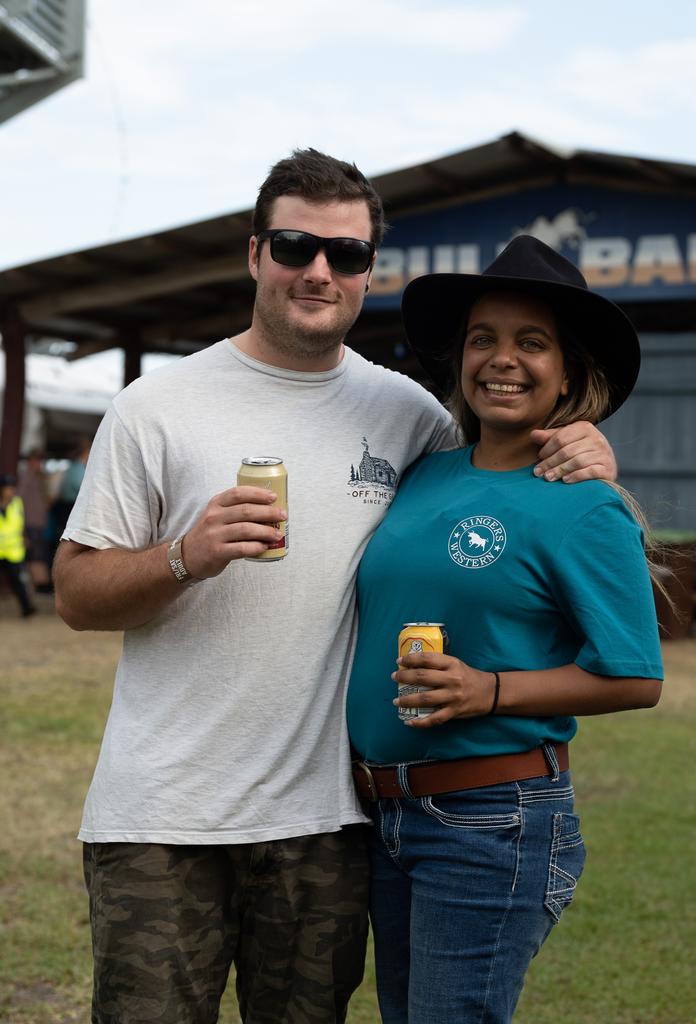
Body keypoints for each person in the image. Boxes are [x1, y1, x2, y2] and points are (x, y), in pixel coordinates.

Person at [53, 150, 619, 1024]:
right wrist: (184, 555)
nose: (318, 271)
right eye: (294, 246)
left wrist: (589, 450)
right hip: (163, 818)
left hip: (332, 822)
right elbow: (76, 595)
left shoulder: (411, 415)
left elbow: (502, 475)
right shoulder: (154, 406)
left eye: (345, 255)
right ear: (255, 254)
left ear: (367, 273)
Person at [347, 235, 664, 1023]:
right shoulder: (426, 471)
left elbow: (636, 676)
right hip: (384, 814)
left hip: (491, 820)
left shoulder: (584, 503)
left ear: (568, 372)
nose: (503, 360)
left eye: (532, 343)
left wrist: (488, 690)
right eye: (483, 339)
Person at [0, 474, 37, 617]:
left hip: (14, 550)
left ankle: (27, 609)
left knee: (19, 582)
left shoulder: (17, 503)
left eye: (12, 488)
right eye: (7, 488)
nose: (10, 491)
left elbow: (21, 522)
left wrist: (24, 537)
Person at [16, 448, 52, 592]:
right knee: (35, 554)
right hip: (31, 521)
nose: (39, 463)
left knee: (38, 553)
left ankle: (38, 584)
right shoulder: (27, 476)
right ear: (31, 461)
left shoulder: (38, 477)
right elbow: (19, 498)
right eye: (37, 460)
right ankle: (40, 584)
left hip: (38, 522)